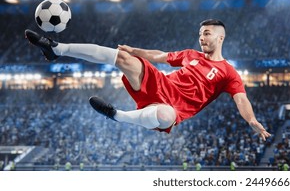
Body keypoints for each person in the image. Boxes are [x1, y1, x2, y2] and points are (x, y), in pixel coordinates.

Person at [25, 19, 271, 140]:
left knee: (166, 116)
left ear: (220, 38)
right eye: (199, 34)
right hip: (161, 83)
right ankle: (56, 48)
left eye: (206, 33)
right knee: (123, 57)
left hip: (175, 108)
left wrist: (252, 120)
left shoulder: (228, 72)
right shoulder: (190, 55)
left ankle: (117, 115)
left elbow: (241, 100)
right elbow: (159, 56)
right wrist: (136, 51)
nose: (201, 38)